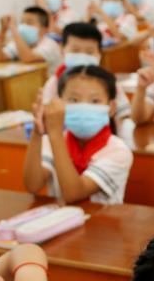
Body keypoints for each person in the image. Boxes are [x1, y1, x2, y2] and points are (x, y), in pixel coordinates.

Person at [24, 65, 132, 205]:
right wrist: (37, 134)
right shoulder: (50, 140)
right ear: (59, 103)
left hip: (103, 218)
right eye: (73, 100)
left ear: (111, 108)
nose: (84, 107)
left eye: (95, 101)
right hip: (61, 217)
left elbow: (74, 194)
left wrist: (55, 133)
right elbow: (32, 186)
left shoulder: (118, 151)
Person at [37, 22, 131, 124]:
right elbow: (47, 117)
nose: (82, 55)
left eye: (89, 52)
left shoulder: (108, 82)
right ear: (62, 50)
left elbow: (124, 115)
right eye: (75, 50)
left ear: (99, 54)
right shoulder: (54, 83)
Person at [0, 7, 63, 72]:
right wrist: (2, 30)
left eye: (29, 23)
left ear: (44, 30)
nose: (23, 26)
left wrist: (13, 28)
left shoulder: (50, 45)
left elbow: (28, 58)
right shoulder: (20, 43)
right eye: (22, 22)